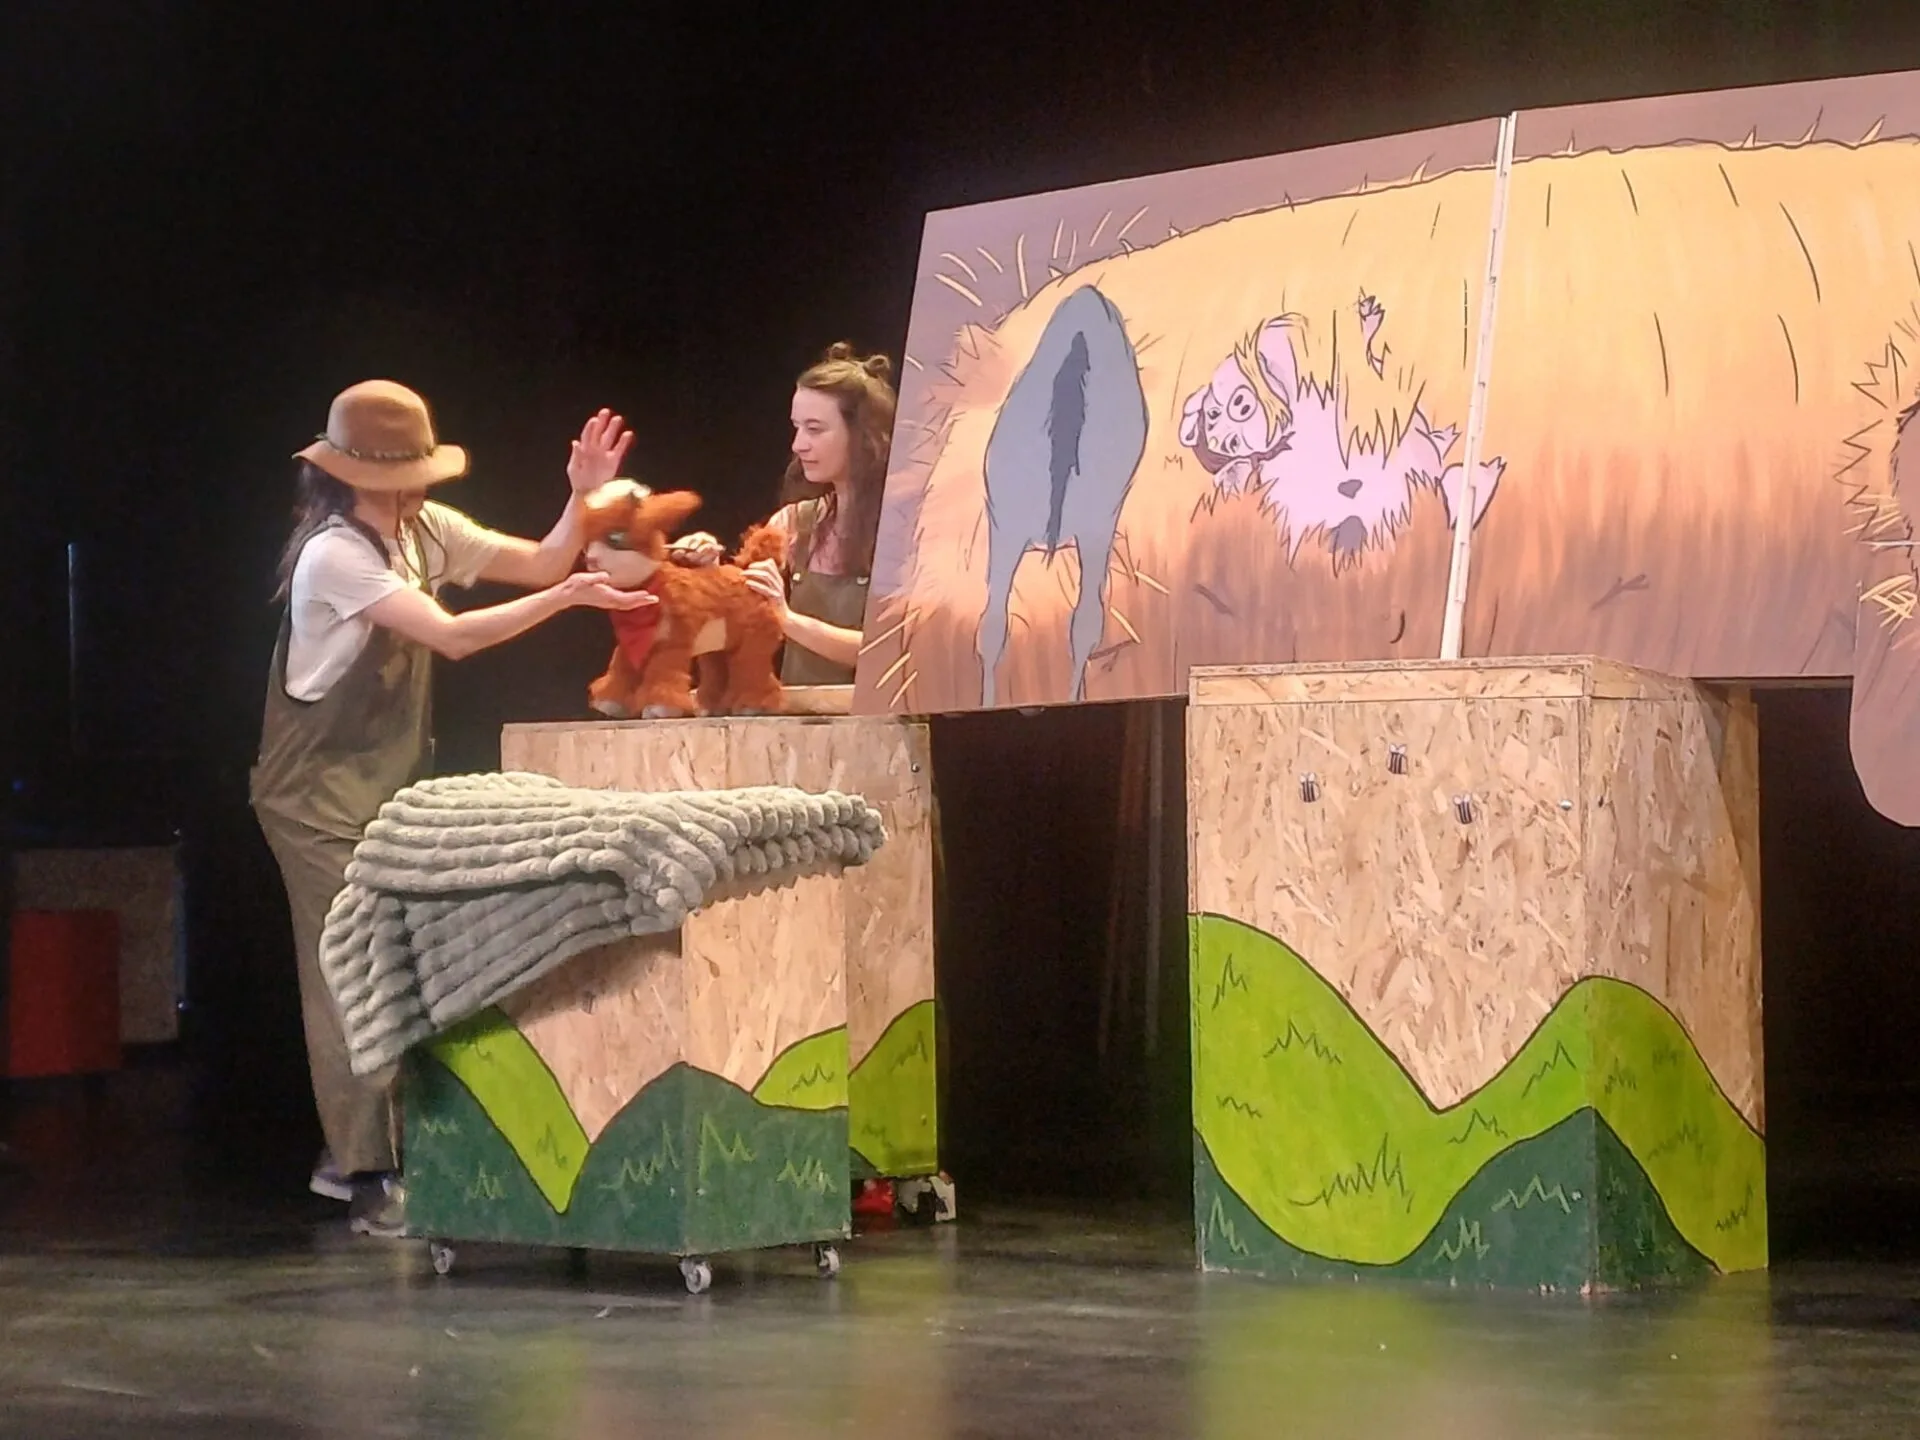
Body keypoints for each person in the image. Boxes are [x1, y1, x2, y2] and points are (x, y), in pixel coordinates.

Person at [249, 379, 655, 1238]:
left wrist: (581, 500)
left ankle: (362, 1153)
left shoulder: (426, 530)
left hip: (385, 787)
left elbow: (541, 560)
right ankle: (366, 1174)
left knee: (396, 962)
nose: (410, 488)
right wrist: (565, 601)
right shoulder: (334, 554)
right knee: (347, 972)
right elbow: (454, 635)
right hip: (314, 797)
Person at [671, 342, 895, 682]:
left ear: (863, 435)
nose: (798, 444)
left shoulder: (906, 529)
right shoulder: (792, 523)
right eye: (797, 427)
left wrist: (788, 620)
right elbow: (736, 619)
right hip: (798, 712)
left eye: (815, 429)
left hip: (876, 714)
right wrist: (709, 572)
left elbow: (894, 652)